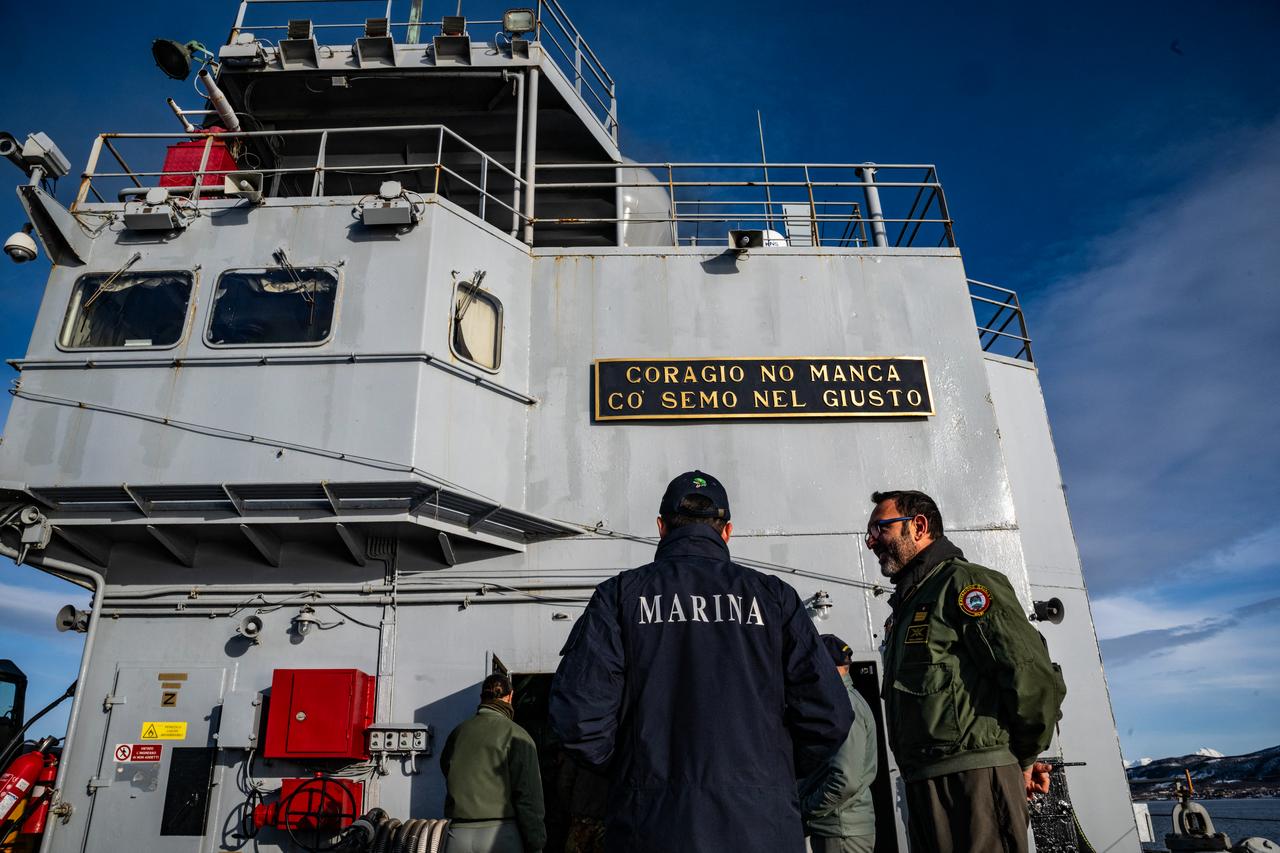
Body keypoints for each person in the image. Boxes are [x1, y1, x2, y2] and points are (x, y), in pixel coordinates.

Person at [548, 471, 852, 853]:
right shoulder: (775, 598)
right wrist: (769, 778)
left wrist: (638, 777)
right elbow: (830, 717)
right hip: (763, 827)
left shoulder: (620, 597)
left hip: (653, 826)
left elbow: (579, 718)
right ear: (727, 531)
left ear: (661, 527)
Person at [866, 489, 1066, 853]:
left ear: (919, 525)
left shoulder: (964, 585)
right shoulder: (910, 605)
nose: (870, 541)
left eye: (880, 528)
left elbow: (1029, 674)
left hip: (974, 786)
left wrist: (1023, 760)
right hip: (924, 784)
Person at [441, 673, 547, 853]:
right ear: (511, 696)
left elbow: (446, 769)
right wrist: (536, 843)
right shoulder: (518, 736)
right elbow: (529, 797)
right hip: (501, 836)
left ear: (482, 697)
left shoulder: (457, 733)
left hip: (457, 836)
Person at [799, 635, 878, 853]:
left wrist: (805, 809)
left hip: (840, 831)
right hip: (839, 828)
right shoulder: (845, 702)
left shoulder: (844, 708)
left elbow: (845, 780)